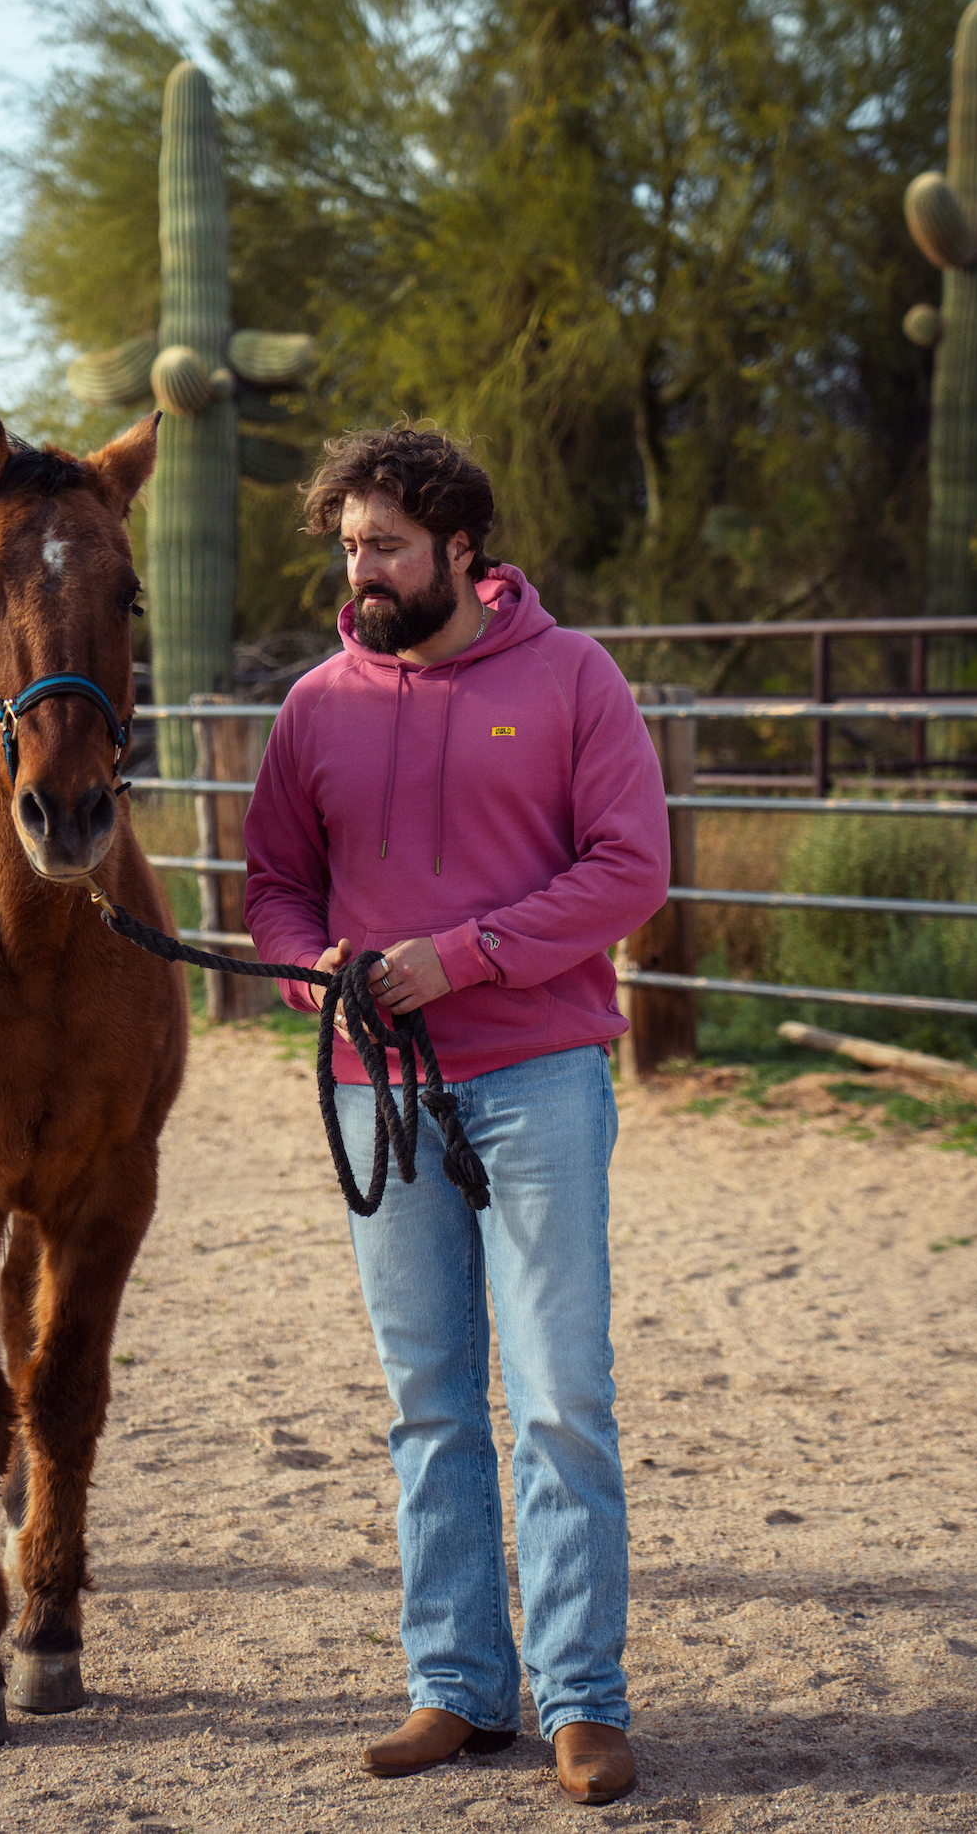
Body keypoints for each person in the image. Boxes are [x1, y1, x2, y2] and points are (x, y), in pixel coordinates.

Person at [242, 422, 671, 1805]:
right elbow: (274, 888)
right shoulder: (316, 703)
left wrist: (464, 954)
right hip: (383, 1093)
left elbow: (631, 867)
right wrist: (317, 973)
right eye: (348, 545)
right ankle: (458, 1685)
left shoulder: (570, 679)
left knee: (559, 1396)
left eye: (384, 546)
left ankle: (583, 1699)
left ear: (462, 552)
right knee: (427, 1403)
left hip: (539, 1075)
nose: (358, 570)